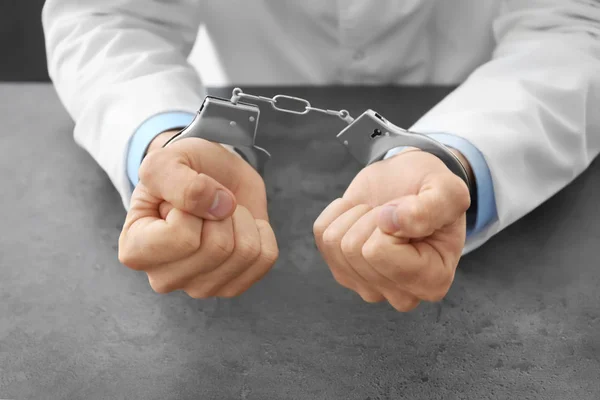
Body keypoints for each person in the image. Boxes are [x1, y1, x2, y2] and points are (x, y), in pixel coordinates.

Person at [42, 1, 600, 311]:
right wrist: (165, 135)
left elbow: (575, 29)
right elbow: (106, 15)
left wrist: (458, 158)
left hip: (491, 111)